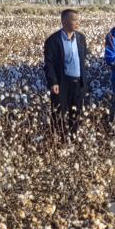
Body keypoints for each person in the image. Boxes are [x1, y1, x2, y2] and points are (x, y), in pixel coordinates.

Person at [44, 8, 89, 137]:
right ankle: (59, 142)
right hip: (62, 84)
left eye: (78, 20)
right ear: (64, 21)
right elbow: (49, 64)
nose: (78, 23)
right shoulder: (53, 41)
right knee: (59, 114)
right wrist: (53, 82)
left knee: (76, 114)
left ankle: (74, 140)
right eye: (74, 20)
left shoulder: (81, 38)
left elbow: (83, 59)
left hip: (78, 83)